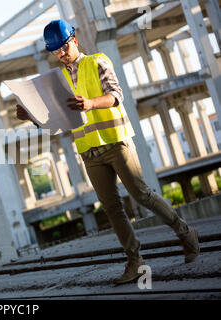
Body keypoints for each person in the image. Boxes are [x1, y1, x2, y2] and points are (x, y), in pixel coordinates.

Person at [16, 19, 200, 285]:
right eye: (55, 50)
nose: (61, 53)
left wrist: (90, 103)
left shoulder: (97, 62)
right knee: (112, 208)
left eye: (64, 46)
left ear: (74, 40)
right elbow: (55, 119)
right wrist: (30, 116)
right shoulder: (59, 80)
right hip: (90, 151)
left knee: (141, 195)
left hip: (116, 141)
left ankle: (186, 233)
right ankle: (135, 261)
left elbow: (116, 95)